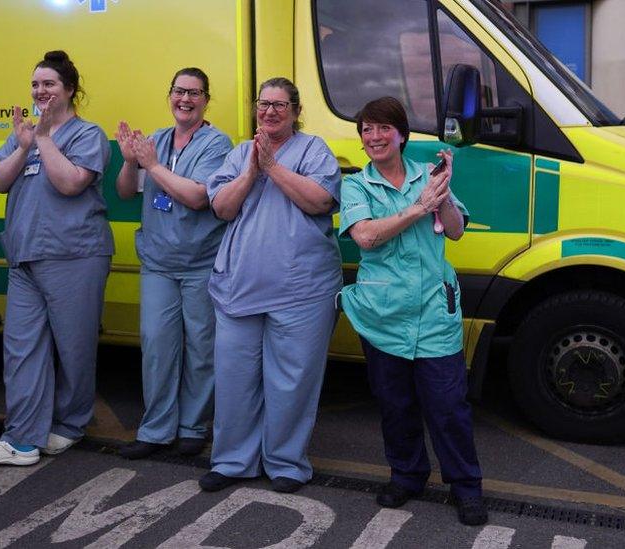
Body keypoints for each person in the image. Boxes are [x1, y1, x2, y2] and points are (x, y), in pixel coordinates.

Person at [338, 96, 487, 526]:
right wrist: (418, 207)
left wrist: (439, 197)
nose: (375, 136)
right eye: (367, 129)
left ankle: (466, 487)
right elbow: (365, 237)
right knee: (395, 404)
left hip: (434, 313)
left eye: (384, 128)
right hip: (383, 316)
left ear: (401, 134)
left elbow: (456, 232)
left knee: (448, 406)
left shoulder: (430, 175)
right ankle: (407, 475)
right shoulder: (357, 185)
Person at [0, 51, 112, 466]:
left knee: (74, 348)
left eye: (49, 84)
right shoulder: (23, 134)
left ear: (70, 89)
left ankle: (69, 424)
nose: (40, 91)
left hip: (75, 256)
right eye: (35, 84)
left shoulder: (88, 135)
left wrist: (45, 139)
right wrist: (24, 145)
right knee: (21, 349)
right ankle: (22, 439)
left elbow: (70, 184)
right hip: (25, 257)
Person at [199, 77, 342, 494]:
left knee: (292, 380)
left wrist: (274, 167)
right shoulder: (241, 152)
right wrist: (252, 170)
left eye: (280, 104)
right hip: (240, 287)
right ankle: (232, 461)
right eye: (264, 104)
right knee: (234, 378)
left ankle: (285, 462)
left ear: (296, 111)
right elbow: (222, 208)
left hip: (301, 290)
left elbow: (319, 201)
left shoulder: (314, 150)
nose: (271, 111)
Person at [113, 68, 233, 460]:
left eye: (194, 93)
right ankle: (156, 429)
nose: (186, 99)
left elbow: (198, 197)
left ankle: (192, 427)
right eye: (180, 91)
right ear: (170, 95)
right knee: (157, 344)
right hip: (159, 263)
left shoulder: (217, 144)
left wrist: (154, 166)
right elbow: (126, 191)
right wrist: (132, 162)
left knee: (201, 348)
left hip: (200, 262)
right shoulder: (155, 141)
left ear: (206, 100)